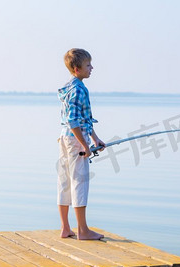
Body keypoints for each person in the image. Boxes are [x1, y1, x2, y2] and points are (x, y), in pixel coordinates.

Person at [57, 48, 105, 240]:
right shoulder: (78, 90)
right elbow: (73, 120)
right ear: (77, 69)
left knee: (64, 182)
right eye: (88, 65)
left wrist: (95, 139)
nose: (91, 68)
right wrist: (84, 145)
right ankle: (83, 231)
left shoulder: (69, 87)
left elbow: (82, 119)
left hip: (65, 138)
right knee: (80, 183)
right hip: (75, 140)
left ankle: (66, 228)